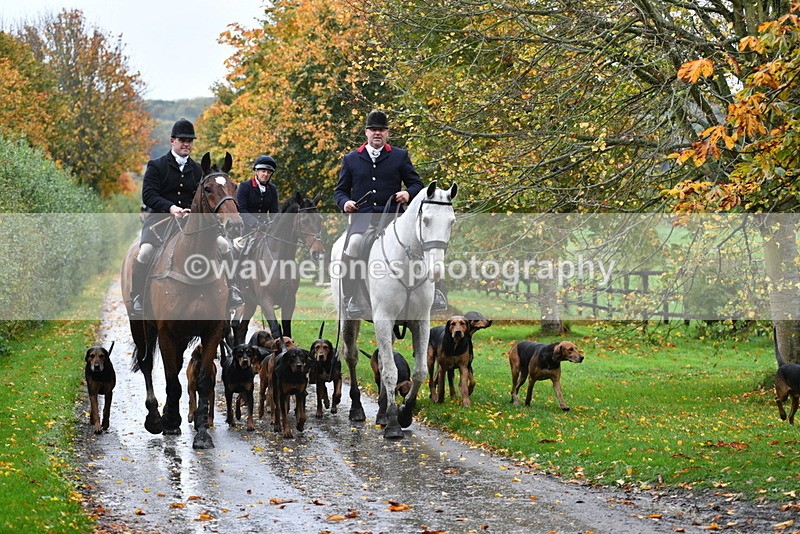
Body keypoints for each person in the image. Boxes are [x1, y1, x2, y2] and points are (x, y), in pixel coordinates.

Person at [334, 109, 447, 318]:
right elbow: (340, 191)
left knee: (426, 241)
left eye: (381, 130)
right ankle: (350, 298)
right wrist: (345, 202)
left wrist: (408, 193)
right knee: (354, 244)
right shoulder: (351, 159)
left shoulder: (399, 156)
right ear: (366, 132)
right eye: (373, 129)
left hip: (394, 218)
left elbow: (417, 184)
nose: (377, 133)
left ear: (387, 133)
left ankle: (438, 292)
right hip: (364, 218)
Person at [129, 118, 244, 318]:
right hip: (160, 221)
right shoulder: (156, 165)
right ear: (172, 140)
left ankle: (232, 289)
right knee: (145, 252)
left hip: (192, 223)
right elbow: (148, 195)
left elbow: (202, 197)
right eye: (182, 140)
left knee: (224, 246)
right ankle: (138, 296)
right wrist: (171, 207)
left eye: (189, 141)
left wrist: (192, 210)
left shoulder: (198, 169)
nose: (186, 144)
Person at [236, 155, 280, 231]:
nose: (266, 174)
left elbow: (274, 211)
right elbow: (241, 209)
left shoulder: (272, 189)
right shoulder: (245, 186)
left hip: (265, 228)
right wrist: (256, 224)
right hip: (245, 228)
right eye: (263, 171)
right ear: (256, 171)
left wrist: (275, 224)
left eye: (269, 172)